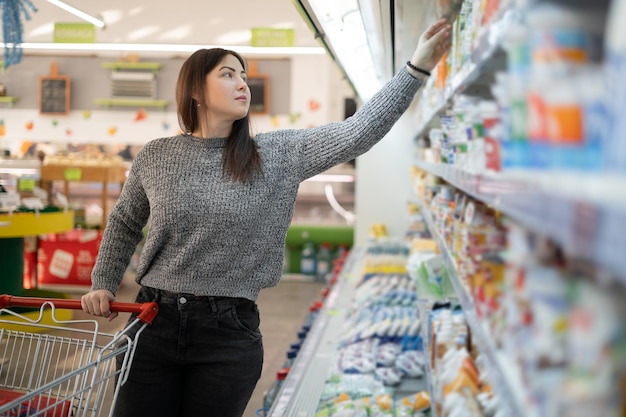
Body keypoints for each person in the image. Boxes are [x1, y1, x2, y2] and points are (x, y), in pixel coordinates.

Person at [80, 18, 451, 417]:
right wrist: (103, 281)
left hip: (228, 334)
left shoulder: (276, 155)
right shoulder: (156, 155)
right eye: (228, 74)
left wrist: (416, 69)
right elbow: (124, 222)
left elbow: (357, 132)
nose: (243, 84)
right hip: (152, 321)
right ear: (194, 91)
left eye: (244, 75)